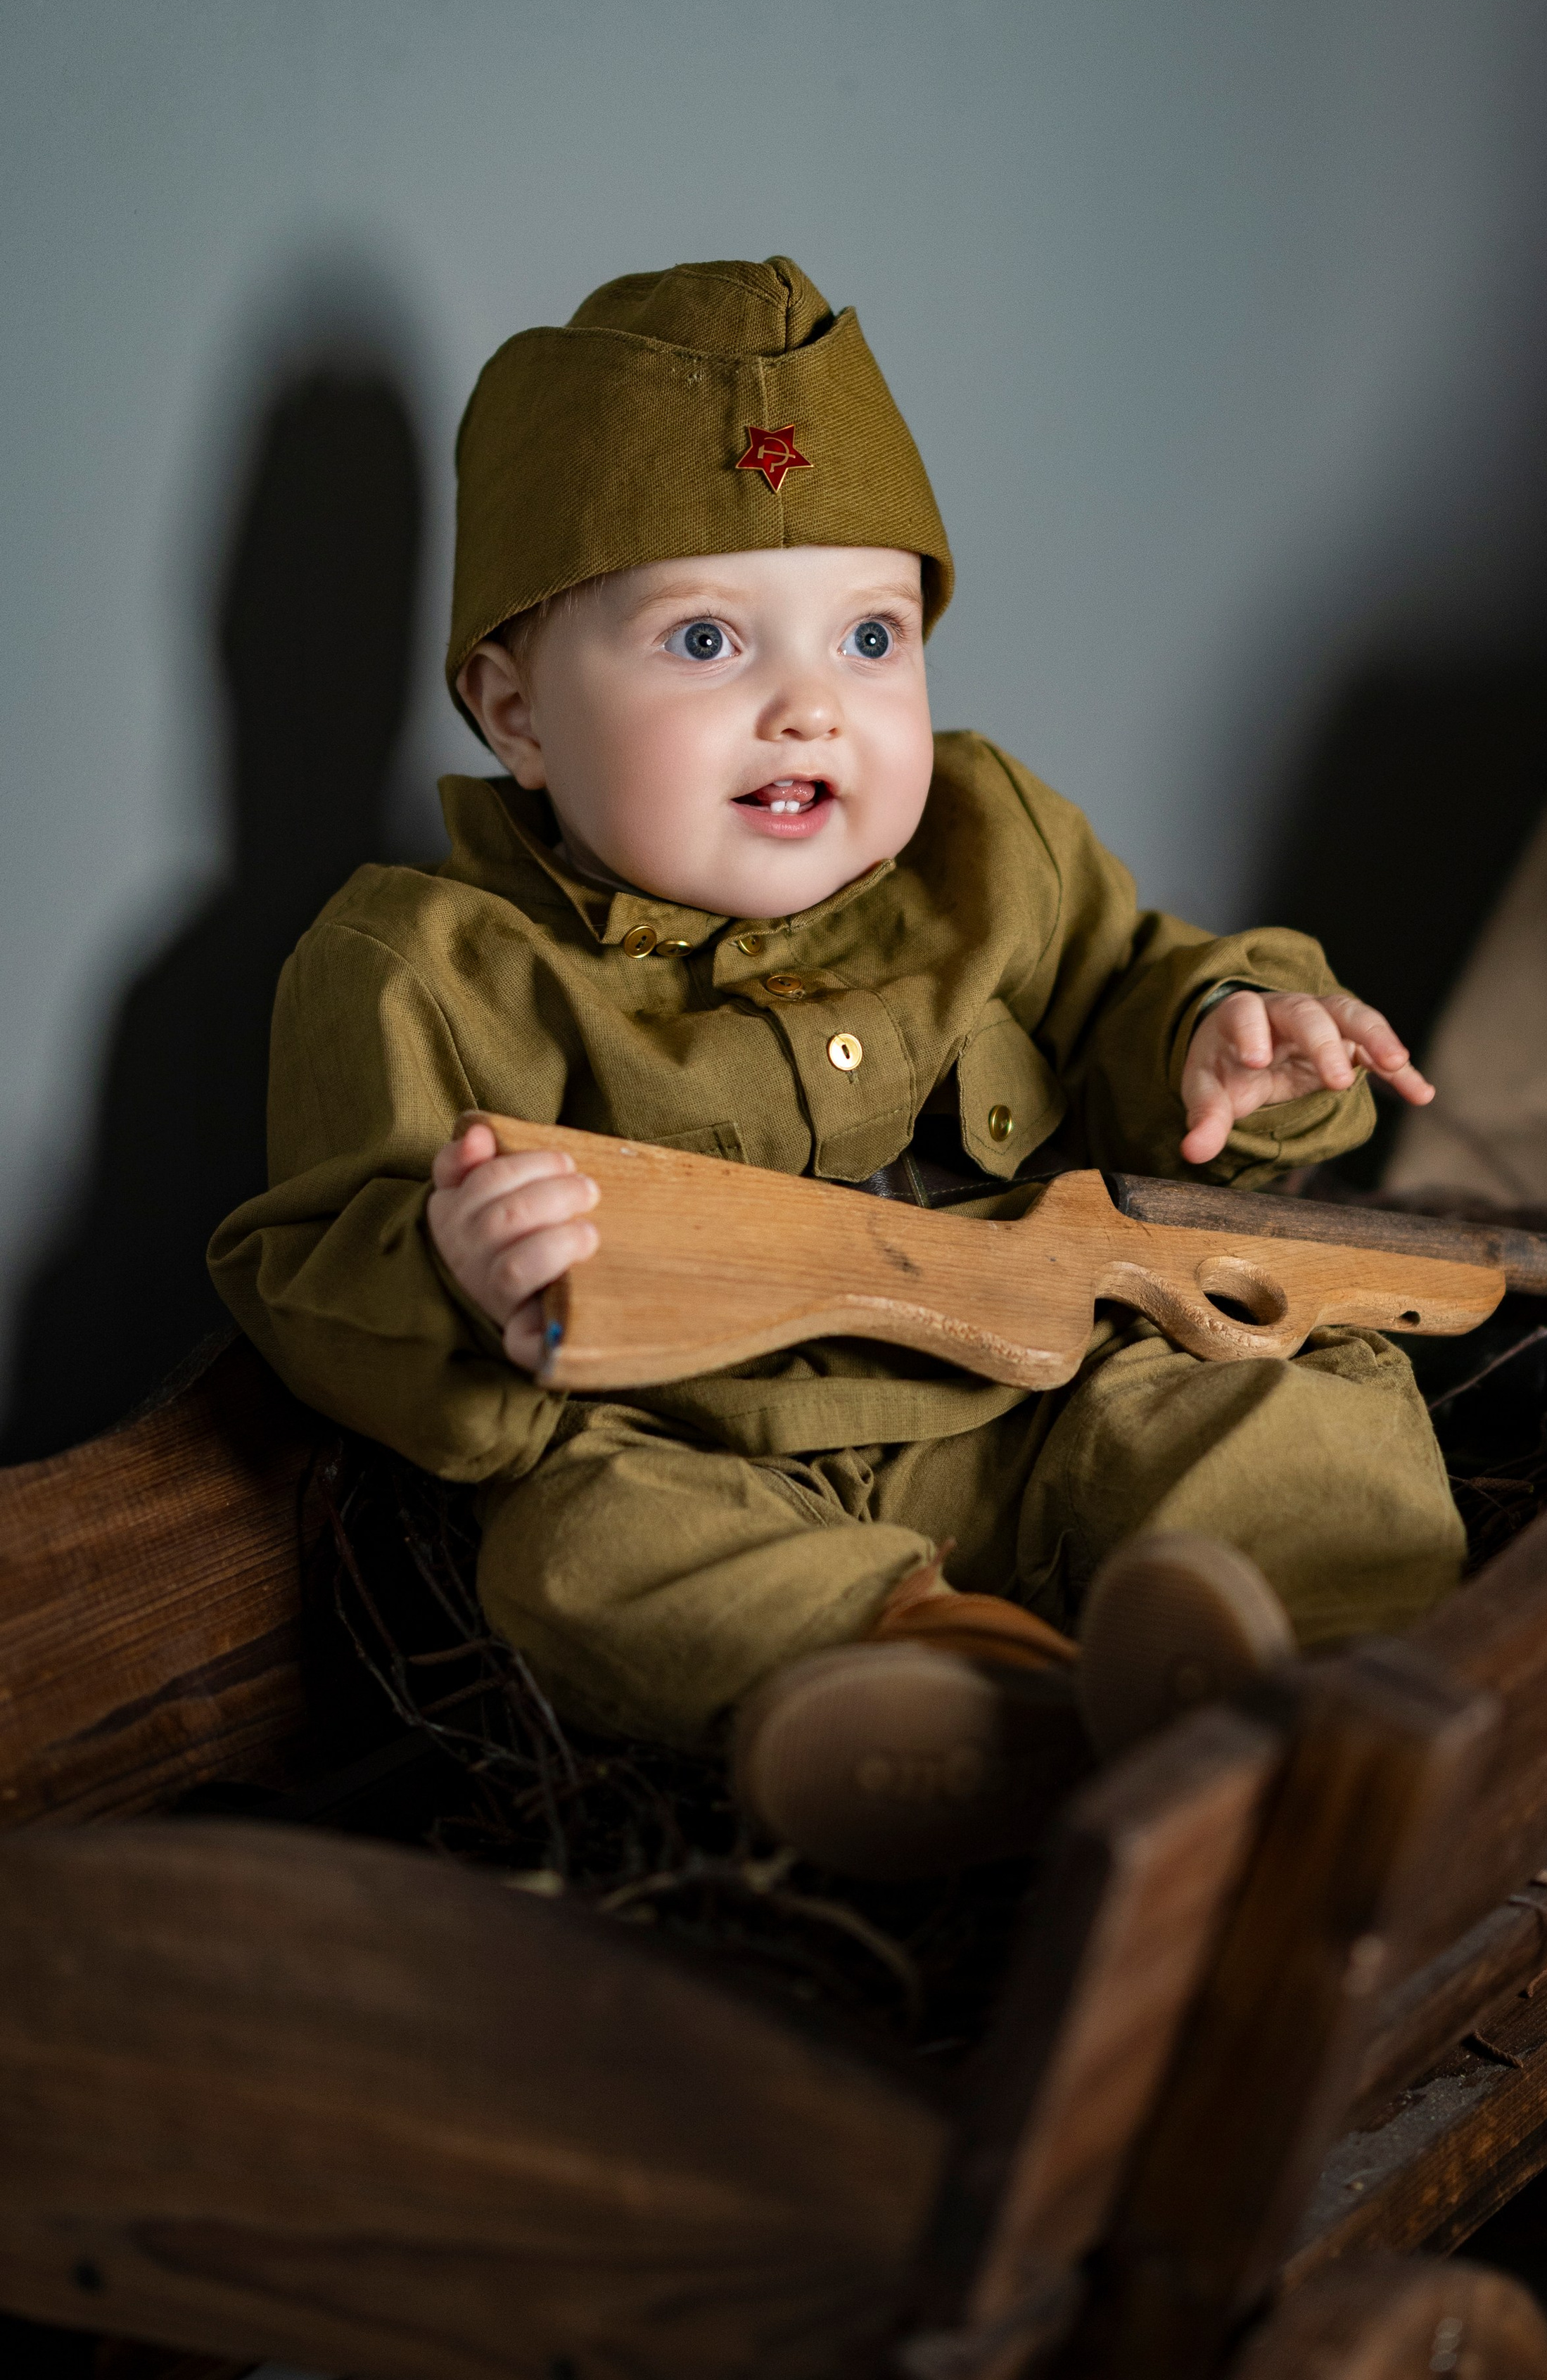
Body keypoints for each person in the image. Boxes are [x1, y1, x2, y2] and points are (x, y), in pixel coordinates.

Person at [210, 255, 1463, 1878]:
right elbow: (308, 1263)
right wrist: (451, 1270)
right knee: (578, 1554)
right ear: (516, 714)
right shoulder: (421, 970)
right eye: (708, 641)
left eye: (871, 634)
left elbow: (1138, 980)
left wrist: (1235, 1031)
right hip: (717, 1454)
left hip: (1051, 1389)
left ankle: (1306, 1692)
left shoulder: (989, 842)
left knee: (1271, 1401)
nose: (808, 707)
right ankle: (984, 1710)